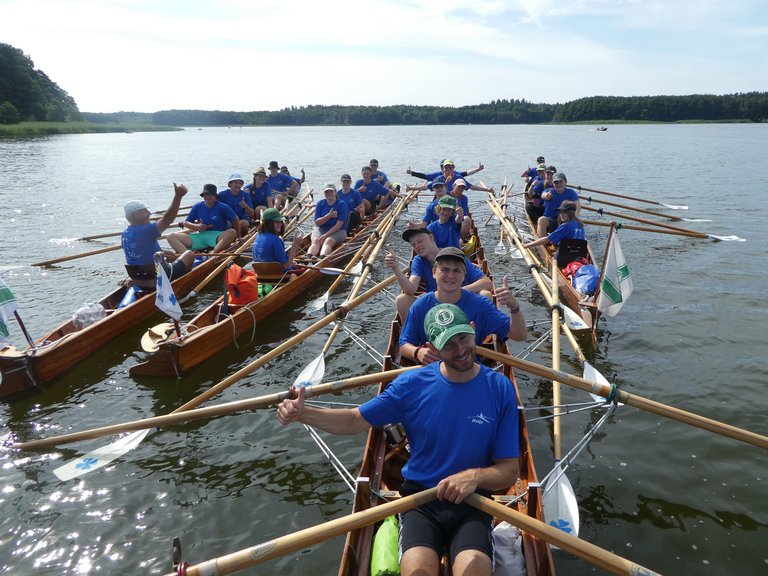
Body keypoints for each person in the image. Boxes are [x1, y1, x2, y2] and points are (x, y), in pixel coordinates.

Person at [277, 303, 520, 576]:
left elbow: (509, 471)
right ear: (432, 347)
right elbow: (355, 419)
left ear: (473, 330)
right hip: (420, 501)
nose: (461, 350)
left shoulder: (500, 388)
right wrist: (303, 413)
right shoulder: (411, 384)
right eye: (449, 345)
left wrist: (473, 477)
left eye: (463, 338)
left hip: (474, 501)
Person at [399, 246, 527, 365]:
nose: (450, 276)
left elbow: (519, 335)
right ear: (434, 272)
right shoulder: (420, 305)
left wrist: (514, 307)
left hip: (468, 372)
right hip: (433, 374)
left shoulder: (480, 305)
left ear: (464, 275)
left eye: (457, 271)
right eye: (445, 270)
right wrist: (417, 352)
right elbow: (404, 344)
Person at [385, 228, 492, 321]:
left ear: (431, 238)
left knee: (485, 295)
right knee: (402, 300)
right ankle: (409, 338)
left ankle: (475, 337)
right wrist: (395, 267)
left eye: (420, 241)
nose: (417, 246)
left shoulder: (453, 255)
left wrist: (456, 292)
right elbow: (411, 289)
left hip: (461, 302)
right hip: (434, 305)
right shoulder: (418, 260)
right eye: (413, 245)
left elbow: (487, 282)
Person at [121, 183, 195, 287]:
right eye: (145, 211)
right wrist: (178, 197)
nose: (150, 213)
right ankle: (183, 283)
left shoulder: (124, 234)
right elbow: (168, 219)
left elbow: (138, 251)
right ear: (135, 215)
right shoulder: (146, 230)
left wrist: (162, 253)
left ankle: (141, 283)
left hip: (137, 275)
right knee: (190, 254)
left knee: (171, 257)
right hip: (158, 275)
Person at [167, 184, 239, 254]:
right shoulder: (197, 206)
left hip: (217, 236)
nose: (208, 197)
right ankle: (188, 256)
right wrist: (196, 226)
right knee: (170, 236)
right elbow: (186, 223)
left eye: (210, 195)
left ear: (215, 197)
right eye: (206, 195)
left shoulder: (223, 207)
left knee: (232, 232)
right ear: (203, 196)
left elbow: (235, 219)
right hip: (201, 236)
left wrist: (239, 236)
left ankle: (213, 254)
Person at [308, 182, 349, 258]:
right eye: (327, 191)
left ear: (335, 192)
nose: (329, 193)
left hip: (339, 231)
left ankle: (321, 260)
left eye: (331, 191)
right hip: (322, 228)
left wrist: (325, 236)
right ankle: (308, 257)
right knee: (316, 240)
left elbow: (339, 225)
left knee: (328, 241)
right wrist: (329, 216)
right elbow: (317, 223)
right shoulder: (320, 203)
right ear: (324, 193)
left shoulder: (342, 204)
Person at [536, 172, 580, 238]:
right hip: (551, 222)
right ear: (553, 184)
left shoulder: (571, 193)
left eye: (561, 182)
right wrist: (546, 196)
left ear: (565, 182)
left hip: (565, 222)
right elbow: (543, 195)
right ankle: (543, 245)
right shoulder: (549, 191)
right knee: (541, 220)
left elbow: (577, 205)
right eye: (556, 182)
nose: (559, 184)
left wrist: (574, 218)